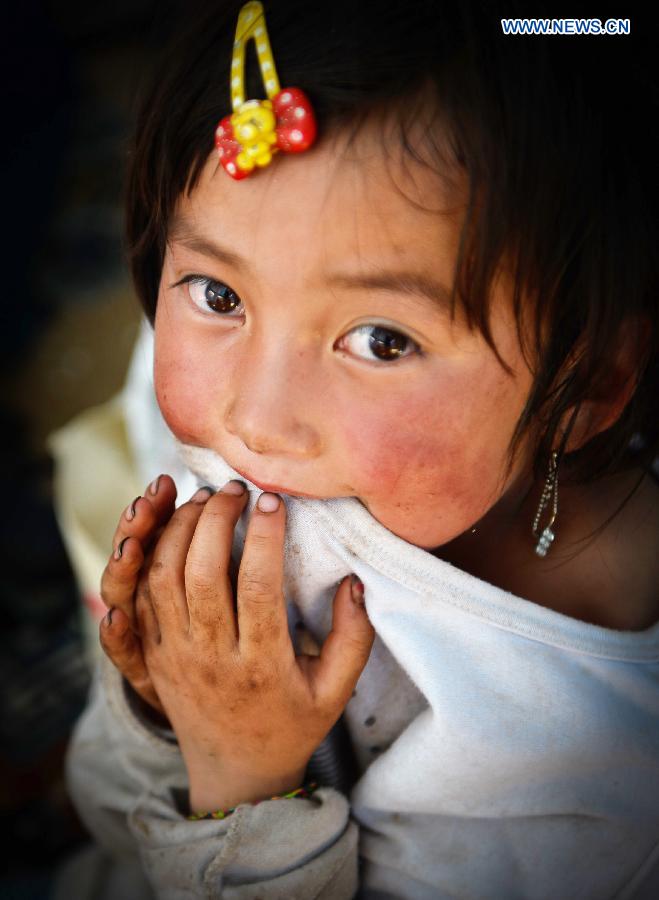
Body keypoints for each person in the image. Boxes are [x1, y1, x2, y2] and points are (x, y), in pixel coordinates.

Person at [60, 1, 659, 897]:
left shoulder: (582, 749)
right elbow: (108, 809)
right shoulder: (255, 453)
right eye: (218, 295)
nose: (256, 419)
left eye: (382, 340)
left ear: (583, 388)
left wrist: (241, 780)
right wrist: (158, 700)